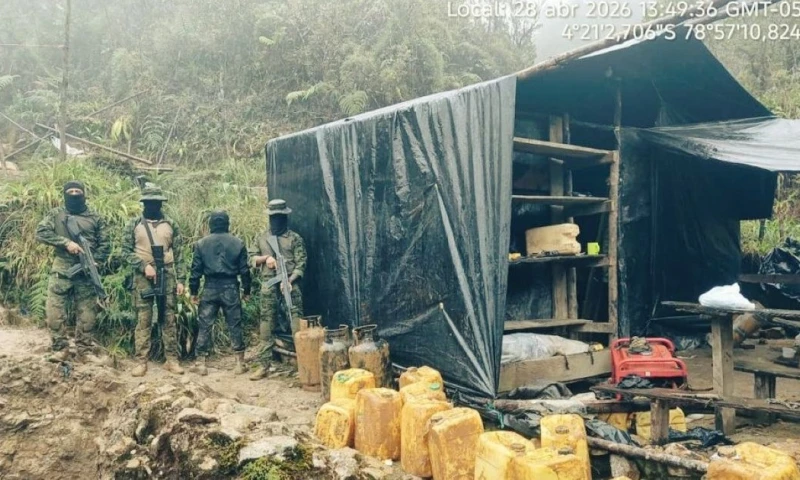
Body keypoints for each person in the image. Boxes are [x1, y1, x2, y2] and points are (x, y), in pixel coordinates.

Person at [35, 181, 109, 361]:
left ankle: (85, 351)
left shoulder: (96, 217)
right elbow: (41, 233)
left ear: (84, 194)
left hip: (86, 271)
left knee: (87, 313)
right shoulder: (56, 214)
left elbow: (105, 244)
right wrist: (66, 243)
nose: (74, 194)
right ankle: (61, 348)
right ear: (65, 194)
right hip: (62, 267)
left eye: (78, 191)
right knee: (54, 311)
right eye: (70, 191)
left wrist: (95, 261)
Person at [122, 183, 186, 376]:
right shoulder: (134, 224)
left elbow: (180, 253)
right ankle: (141, 361)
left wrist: (181, 279)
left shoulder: (171, 224)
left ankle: (172, 360)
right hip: (143, 277)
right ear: (144, 203)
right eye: (149, 202)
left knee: (169, 318)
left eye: (156, 202)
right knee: (144, 319)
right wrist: (144, 266)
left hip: (167, 273)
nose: (152, 205)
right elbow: (125, 251)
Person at [248, 199, 306, 380]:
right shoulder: (262, 237)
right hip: (269, 283)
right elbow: (250, 258)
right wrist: (265, 258)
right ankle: (264, 364)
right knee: (266, 323)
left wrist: (290, 279)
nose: (277, 220)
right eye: (274, 217)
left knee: (296, 322)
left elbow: (301, 263)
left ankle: (303, 364)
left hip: (289, 283)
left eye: (280, 217)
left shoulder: (294, 238)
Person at [189, 211, 252, 376]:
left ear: (210, 224)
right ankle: (239, 362)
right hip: (230, 287)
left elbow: (195, 271)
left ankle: (201, 363)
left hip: (209, 287)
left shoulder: (201, 244)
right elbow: (245, 270)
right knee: (234, 324)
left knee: (205, 325)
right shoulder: (237, 243)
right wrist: (247, 290)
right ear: (227, 224)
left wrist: (193, 291)